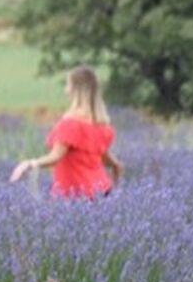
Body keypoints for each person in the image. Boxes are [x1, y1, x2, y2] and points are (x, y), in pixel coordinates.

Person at [10, 65, 123, 198]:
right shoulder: (102, 126)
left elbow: (55, 157)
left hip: (75, 196)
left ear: (76, 90)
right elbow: (107, 160)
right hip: (102, 192)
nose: (66, 90)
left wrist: (31, 163)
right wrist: (115, 175)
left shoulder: (70, 124)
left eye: (68, 85)